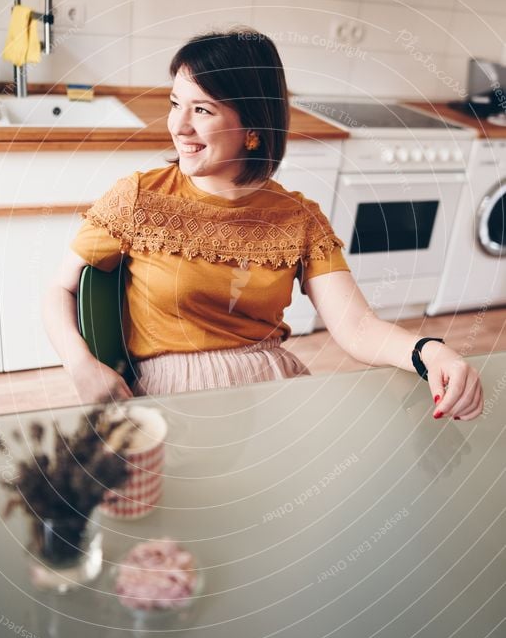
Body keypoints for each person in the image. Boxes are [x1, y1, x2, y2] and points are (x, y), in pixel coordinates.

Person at [43, 28, 483, 420]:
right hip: (172, 397)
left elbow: (358, 327)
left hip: (270, 388)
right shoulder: (139, 197)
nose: (177, 125)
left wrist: (430, 352)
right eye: (176, 103)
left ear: (251, 128)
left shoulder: (299, 218)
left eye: (203, 110)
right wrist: (82, 365)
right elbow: (59, 290)